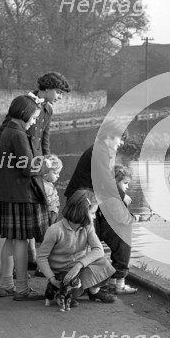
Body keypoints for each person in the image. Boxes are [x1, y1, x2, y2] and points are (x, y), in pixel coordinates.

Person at [0, 72, 70, 269]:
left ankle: (31, 258)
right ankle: (23, 267)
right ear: (48, 88)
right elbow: (3, 130)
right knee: (22, 225)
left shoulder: (48, 110)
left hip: (34, 169)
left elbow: (44, 141)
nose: (60, 97)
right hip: (19, 170)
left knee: (32, 220)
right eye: (59, 92)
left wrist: (48, 164)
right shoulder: (24, 105)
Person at [64, 120, 139, 294]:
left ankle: (108, 282)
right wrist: (123, 197)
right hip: (81, 203)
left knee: (112, 234)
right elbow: (106, 181)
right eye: (120, 139)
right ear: (110, 135)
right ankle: (92, 285)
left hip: (91, 201)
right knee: (91, 242)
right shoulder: (100, 151)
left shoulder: (101, 150)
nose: (121, 143)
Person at [0, 95, 51, 301]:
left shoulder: (8, 130)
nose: (35, 121)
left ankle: (7, 284)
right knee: (21, 241)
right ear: (25, 113)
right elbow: (29, 167)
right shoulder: (18, 134)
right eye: (34, 117)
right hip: (20, 194)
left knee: (10, 240)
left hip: (8, 193)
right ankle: (21, 289)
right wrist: (47, 167)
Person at [36, 189, 116, 304]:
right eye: (92, 213)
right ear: (82, 212)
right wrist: (52, 279)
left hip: (78, 268)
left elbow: (98, 250)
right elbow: (41, 257)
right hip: (61, 273)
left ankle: (94, 291)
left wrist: (79, 265)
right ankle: (59, 293)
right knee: (71, 293)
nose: (94, 217)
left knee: (103, 263)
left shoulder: (88, 226)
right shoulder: (55, 230)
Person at [101, 165, 138, 294]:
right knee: (123, 256)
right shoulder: (113, 198)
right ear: (115, 182)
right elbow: (121, 217)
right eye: (125, 183)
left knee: (117, 255)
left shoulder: (108, 195)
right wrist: (133, 218)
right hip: (116, 232)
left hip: (110, 230)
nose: (127, 187)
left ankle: (112, 282)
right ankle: (119, 286)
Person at [28, 154, 63, 266]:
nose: (58, 176)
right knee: (48, 241)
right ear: (45, 172)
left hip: (41, 215)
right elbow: (48, 203)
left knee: (31, 237)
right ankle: (42, 266)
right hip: (48, 216)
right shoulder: (46, 187)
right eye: (56, 173)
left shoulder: (42, 184)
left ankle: (32, 259)